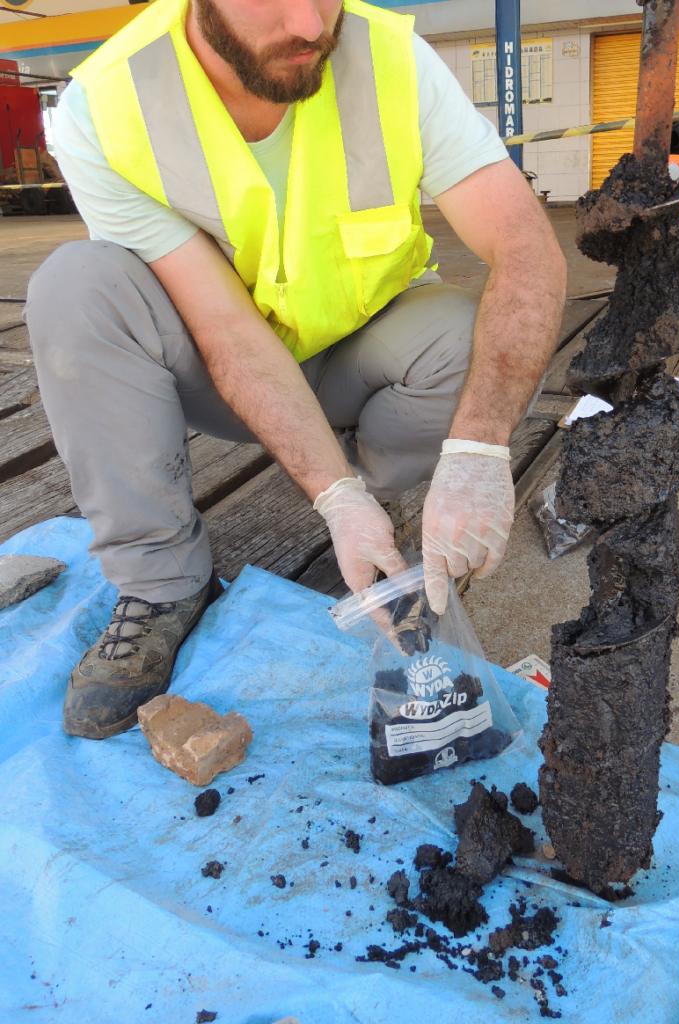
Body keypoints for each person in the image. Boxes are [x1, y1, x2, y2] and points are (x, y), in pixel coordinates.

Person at [25, 0, 566, 740]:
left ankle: (383, 502)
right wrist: (332, 496)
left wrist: (476, 451)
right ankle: (163, 583)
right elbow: (225, 330)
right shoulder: (107, 103)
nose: (311, 24)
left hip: (357, 354)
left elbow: (524, 248)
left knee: (484, 340)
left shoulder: (390, 60)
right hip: (217, 372)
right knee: (76, 286)